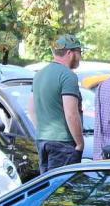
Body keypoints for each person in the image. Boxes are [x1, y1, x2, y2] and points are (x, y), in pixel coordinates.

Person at [33, 34, 85, 172]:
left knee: (47, 183)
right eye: (79, 52)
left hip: (42, 139)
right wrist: (80, 143)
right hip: (63, 143)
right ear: (70, 53)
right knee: (63, 184)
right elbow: (71, 113)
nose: (80, 57)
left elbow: (31, 108)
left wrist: (43, 131)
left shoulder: (39, 74)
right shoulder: (68, 76)